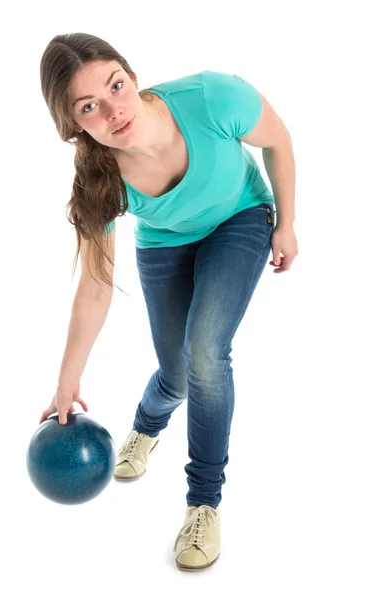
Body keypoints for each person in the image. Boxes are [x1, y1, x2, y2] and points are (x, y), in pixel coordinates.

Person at [38, 32, 298, 571]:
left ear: (131, 75)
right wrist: (67, 382)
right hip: (166, 241)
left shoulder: (212, 98)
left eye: (116, 85)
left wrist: (289, 224)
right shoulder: (99, 182)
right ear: (74, 127)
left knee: (206, 351)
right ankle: (146, 427)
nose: (114, 109)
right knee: (176, 375)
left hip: (240, 218)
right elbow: (95, 287)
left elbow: (278, 139)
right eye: (90, 107)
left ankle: (203, 501)